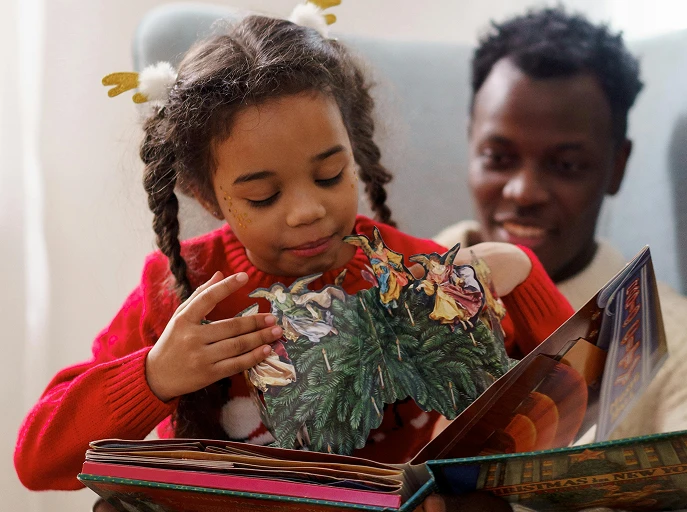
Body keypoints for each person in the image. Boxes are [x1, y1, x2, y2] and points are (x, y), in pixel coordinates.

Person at [14, 9, 574, 494]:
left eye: (330, 176)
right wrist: (155, 374)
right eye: (263, 195)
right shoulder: (181, 293)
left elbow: (576, 394)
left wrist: (521, 275)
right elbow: (37, 460)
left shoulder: (412, 273)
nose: (306, 211)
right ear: (206, 195)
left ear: (355, 150)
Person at [432, 7, 687, 511]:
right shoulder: (384, 283)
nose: (523, 192)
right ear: (470, 144)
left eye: (566, 165)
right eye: (499, 158)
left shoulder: (679, 337)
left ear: (617, 166)